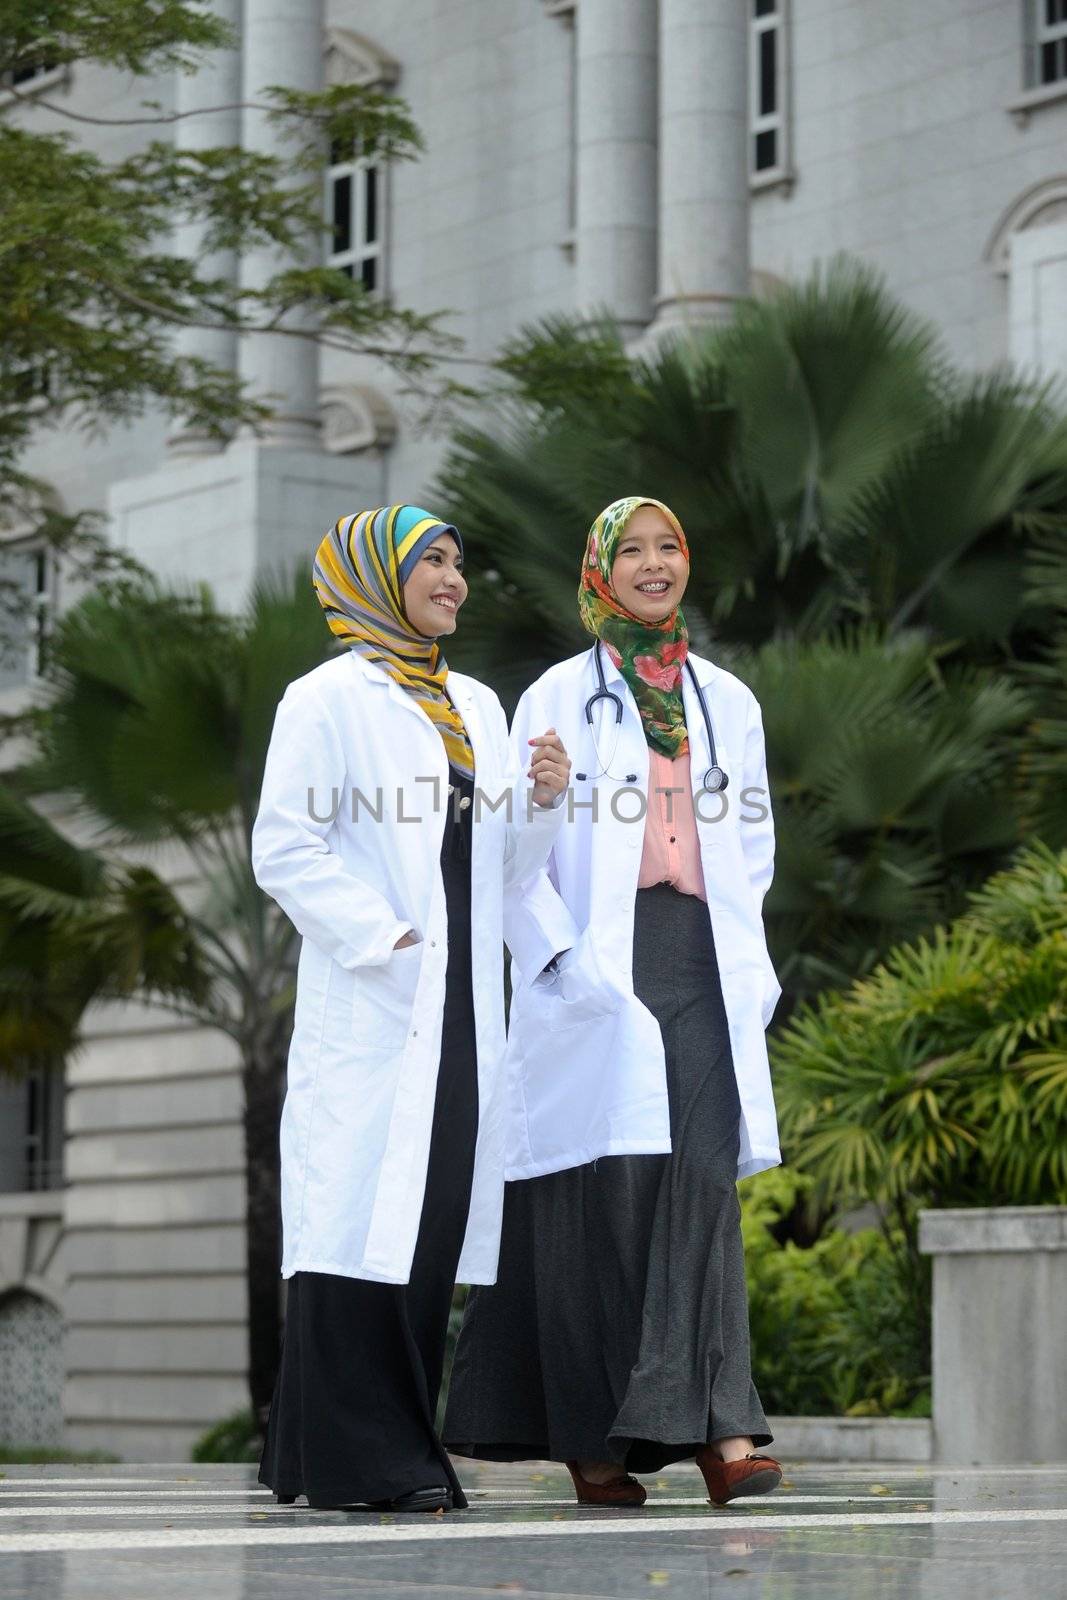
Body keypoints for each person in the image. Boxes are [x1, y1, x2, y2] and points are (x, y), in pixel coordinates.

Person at [444, 496, 784, 1508]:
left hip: (698, 957)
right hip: (594, 962)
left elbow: (752, 843)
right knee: (596, 1201)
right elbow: (510, 858)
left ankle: (724, 1432)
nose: (650, 564)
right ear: (599, 569)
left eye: (666, 546)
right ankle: (592, 1446)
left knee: (698, 1185)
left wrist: (746, 953)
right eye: (629, 550)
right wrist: (557, 959)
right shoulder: (552, 694)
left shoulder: (727, 698)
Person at [251, 504, 570, 1514]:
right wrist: (379, 937)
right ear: (372, 574)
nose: (452, 579)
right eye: (429, 561)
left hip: (467, 1003)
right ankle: (366, 1460)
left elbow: (501, 869)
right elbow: (283, 845)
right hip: (379, 999)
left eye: (457, 562)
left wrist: (546, 801)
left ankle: (330, 1451)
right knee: (357, 1220)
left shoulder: (475, 702)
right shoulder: (325, 699)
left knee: (427, 1226)